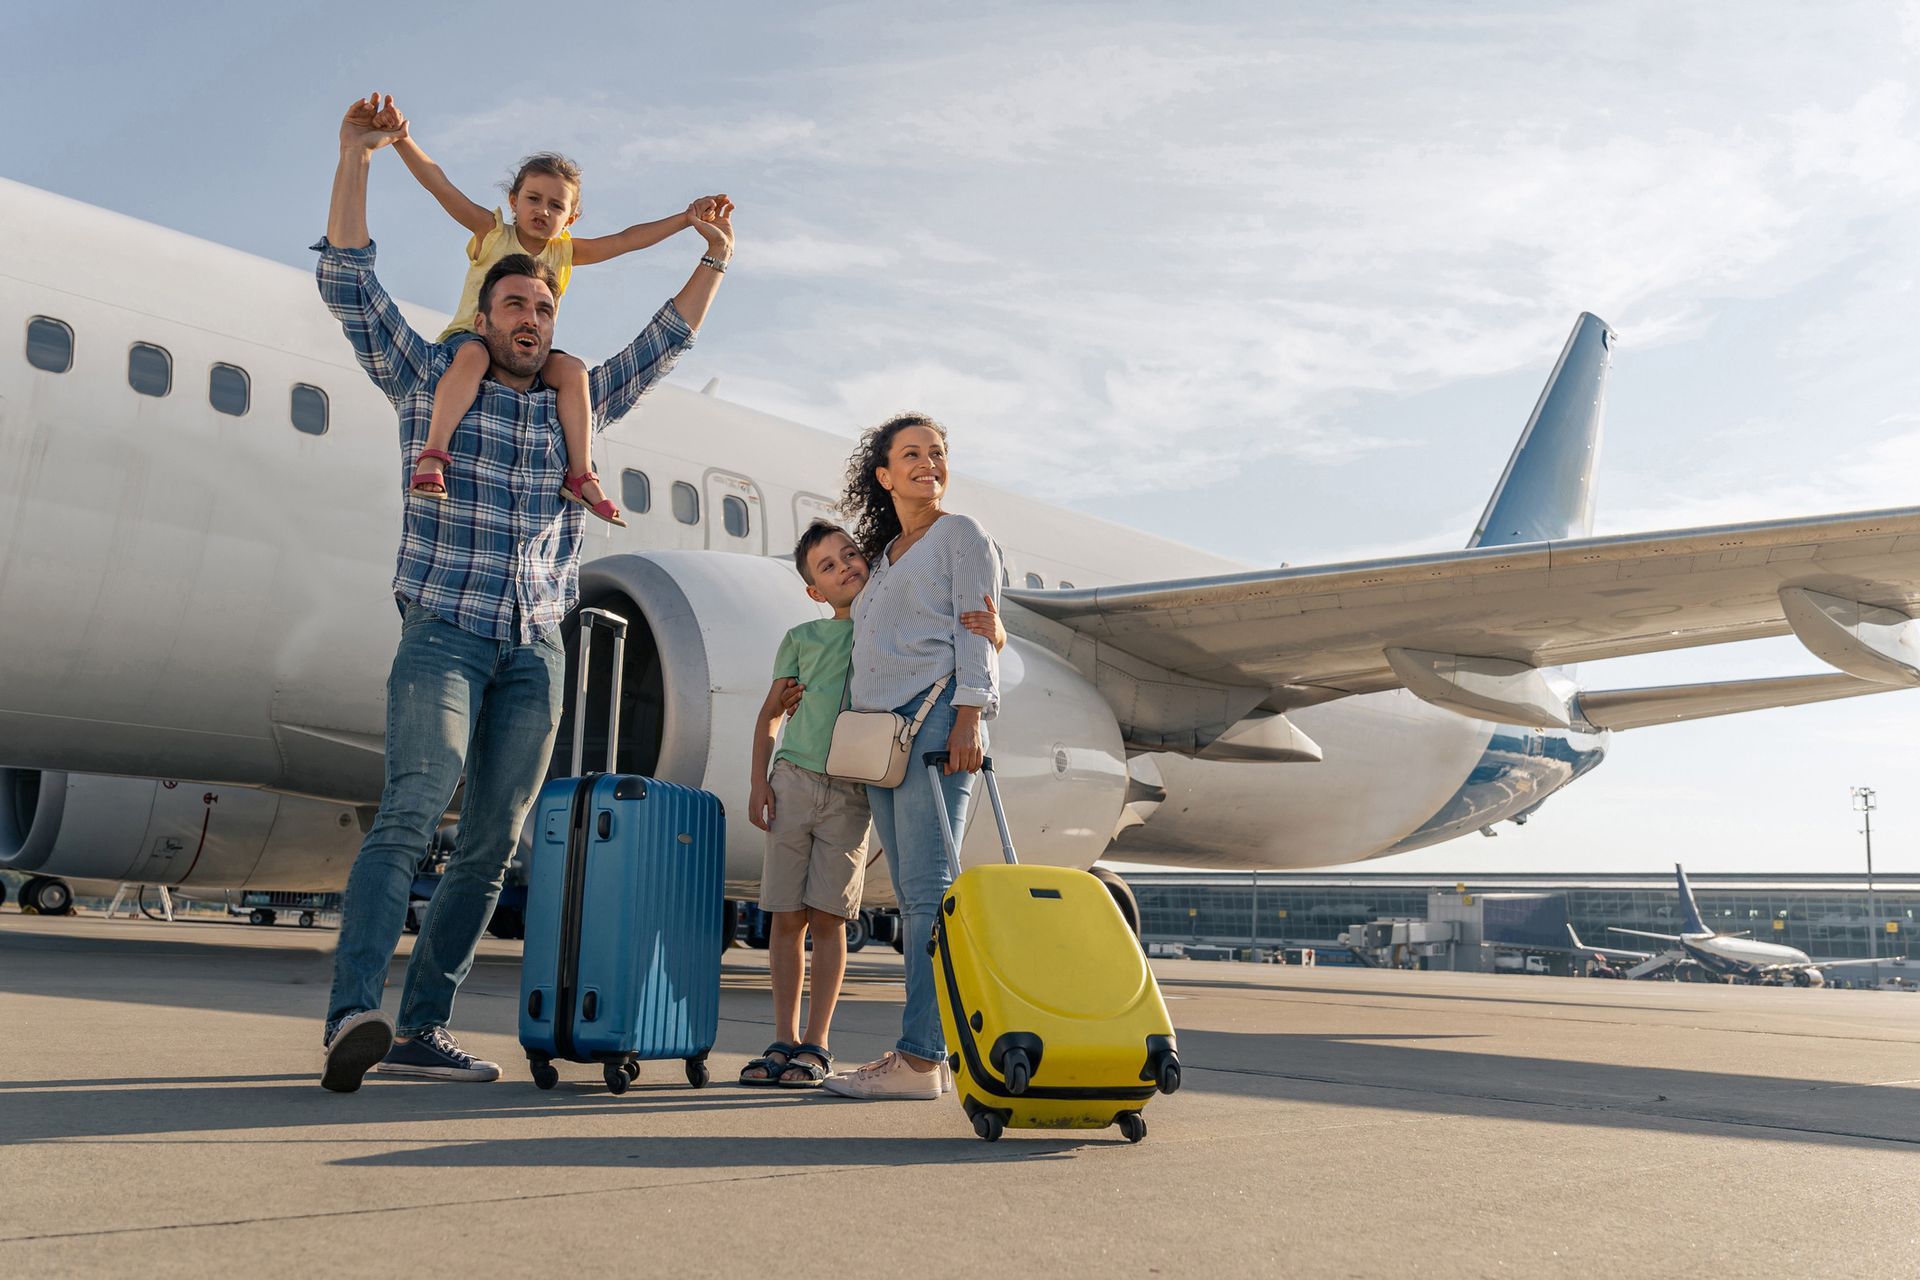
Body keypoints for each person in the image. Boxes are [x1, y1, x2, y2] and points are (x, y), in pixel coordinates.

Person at [314, 93, 734, 1092]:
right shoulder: (430, 380)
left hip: (536, 648)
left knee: (496, 837)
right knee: (413, 807)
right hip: (445, 633)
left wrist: (710, 253)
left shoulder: (570, 410)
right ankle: (352, 1012)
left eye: (544, 305)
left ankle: (422, 1027)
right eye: (514, 304)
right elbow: (348, 280)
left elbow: (662, 340)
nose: (531, 317)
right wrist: (356, 158)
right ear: (485, 311)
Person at [741, 522, 1004, 1089]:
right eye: (828, 567)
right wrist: (759, 784)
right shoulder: (802, 639)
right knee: (786, 918)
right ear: (815, 590)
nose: (846, 568)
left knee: (830, 918)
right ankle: (782, 1039)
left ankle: (817, 1045)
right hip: (792, 780)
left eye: (851, 555)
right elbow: (770, 714)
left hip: (852, 789)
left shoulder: (885, 630)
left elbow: (948, 640)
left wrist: (996, 634)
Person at [385, 100, 716, 524]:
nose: (543, 211)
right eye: (533, 199)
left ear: (571, 216)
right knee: (474, 355)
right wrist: (403, 139)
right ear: (513, 200)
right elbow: (440, 186)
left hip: (527, 350)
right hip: (471, 338)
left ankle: (580, 473)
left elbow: (626, 239)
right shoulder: (492, 233)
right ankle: (433, 453)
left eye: (556, 206)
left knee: (573, 371)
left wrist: (685, 219)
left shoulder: (566, 251)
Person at [820, 414, 1003, 1101]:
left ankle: (922, 1061)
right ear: (885, 476)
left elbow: (974, 626)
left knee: (929, 898)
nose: (928, 463)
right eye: (912, 455)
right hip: (883, 740)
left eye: (937, 453)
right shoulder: (890, 553)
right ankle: (923, 1056)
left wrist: (970, 715)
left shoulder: (961, 535)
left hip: (933, 728)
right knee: (913, 899)